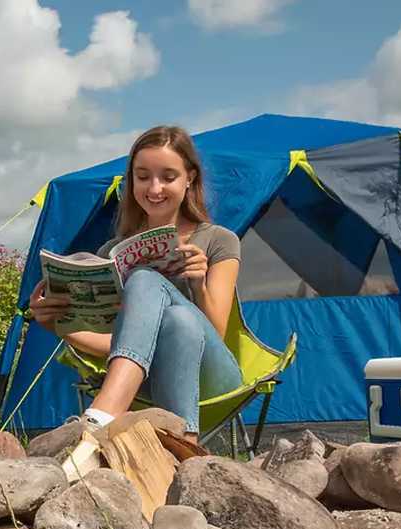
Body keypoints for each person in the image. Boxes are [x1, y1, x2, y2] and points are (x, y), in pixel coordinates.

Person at [29, 125, 243, 443]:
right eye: (143, 176)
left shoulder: (218, 240)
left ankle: (105, 410)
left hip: (211, 372)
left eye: (168, 177)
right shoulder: (112, 253)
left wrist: (198, 285)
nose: (154, 188)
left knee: (146, 280)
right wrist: (58, 325)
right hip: (142, 378)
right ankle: (183, 447)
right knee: (177, 320)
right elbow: (118, 342)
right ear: (132, 181)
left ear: (190, 179)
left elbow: (218, 332)